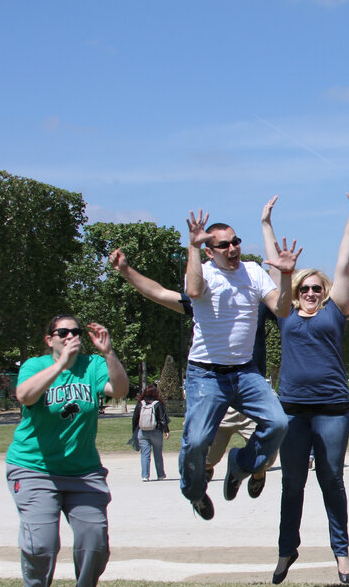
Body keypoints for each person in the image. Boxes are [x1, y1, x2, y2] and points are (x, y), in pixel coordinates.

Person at [108, 250, 276, 498]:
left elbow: (292, 311)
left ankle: (251, 469)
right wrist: (126, 271)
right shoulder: (205, 300)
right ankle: (202, 483)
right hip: (218, 393)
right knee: (205, 458)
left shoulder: (257, 299)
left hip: (250, 391)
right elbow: (160, 293)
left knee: (268, 454)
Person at [7, 315, 129, 587]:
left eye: (76, 332)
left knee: (94, 539)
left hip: (83, 471)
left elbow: (120, 389)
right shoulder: (35, 366)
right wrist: (61, 364)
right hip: (34, 467)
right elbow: (25, 396)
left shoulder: (91, 366)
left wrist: (108, 352)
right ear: (50, 339)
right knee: (42, 541)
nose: (71, 336)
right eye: (63, 332)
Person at [262, 194, 349, 585]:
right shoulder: (284, 314)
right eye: (305, 288)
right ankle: (287, 549)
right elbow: (275, 272)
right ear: (297, 291)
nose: (312, 293)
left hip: (332, 409)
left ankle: (341, 550)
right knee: (292, 483)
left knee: (332, 479)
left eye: (318, 288)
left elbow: (343, 264)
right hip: (293, 410)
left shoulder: (336, 311)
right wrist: (266, 224)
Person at [180, 210, 298, 520]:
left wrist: (285, 276)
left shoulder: (253, 271)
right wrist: (193, 247)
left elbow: (283, 309)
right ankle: (194, 492)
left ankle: (242, 465)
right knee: (196, 442)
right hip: (205, 374)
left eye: (236, 242)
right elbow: (193, 291)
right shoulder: (203, 271)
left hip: (245, 372)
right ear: (210, 251)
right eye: (224, 245)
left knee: (279, 423)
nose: (233, 249)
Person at [131, 384, 170, 481]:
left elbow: (135, 418)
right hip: (156, 431)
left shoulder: (140, 403)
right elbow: (162, 419)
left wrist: (134, 431)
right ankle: (160, 475)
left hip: (143, 431)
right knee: (158, 454)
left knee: (145, 454)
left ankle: (145, 475)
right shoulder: (157, 404)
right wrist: (166, 430)